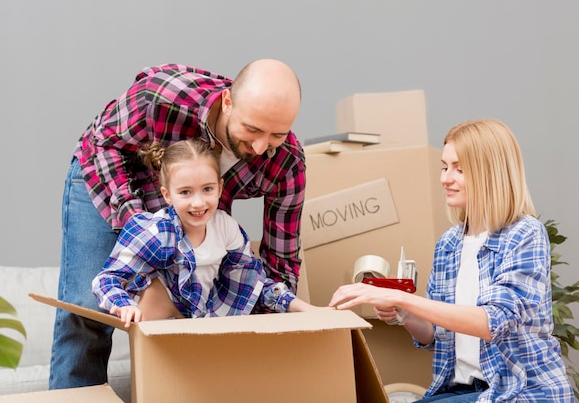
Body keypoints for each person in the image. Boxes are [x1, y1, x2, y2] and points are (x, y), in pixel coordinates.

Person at [50, 59, 305, 390]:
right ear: (227, 102)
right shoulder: (163, 97)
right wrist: (139, 227)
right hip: (107, 177)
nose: (260, 148)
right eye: (253, 130)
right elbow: (104, 143)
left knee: (195, 314)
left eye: (277, 136)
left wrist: (265, 335)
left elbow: (280, 262)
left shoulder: (288, 162)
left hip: (189, 208)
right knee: (86, 310)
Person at [329, 119, 573, 402]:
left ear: (489, 173)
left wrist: (402, 297)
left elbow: (492, 322)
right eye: (444, 167)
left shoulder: (524, 234)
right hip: (462, 390)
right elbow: (436, 337)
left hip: (519, 393)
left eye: (459, 169)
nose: (445, 178)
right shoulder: (449, 244)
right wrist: (404, 315)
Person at [92, 138, 319, 328]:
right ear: (167, 195)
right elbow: (106, 279)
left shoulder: (226, 228)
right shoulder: (157, 232)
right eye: (185, 192)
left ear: (220, 187)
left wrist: (301, 306)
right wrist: (124, 304)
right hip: (157, 323)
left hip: (199, 320)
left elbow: (255, 283)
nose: (198, 202)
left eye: (207, 189)